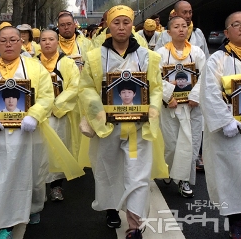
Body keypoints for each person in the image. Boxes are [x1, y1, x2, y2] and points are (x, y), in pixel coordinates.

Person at [0, 26, 84, 239]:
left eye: (13, 40)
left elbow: (46, 95)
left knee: (31, 174)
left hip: (28, 132)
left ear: (21, 42)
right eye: (3, 41)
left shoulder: (35, 68)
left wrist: (35, 115)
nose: (8, 44)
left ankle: (33, 207)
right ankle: (4, 222)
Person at [78, 5, 166, 239]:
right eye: (116, 22)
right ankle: (111, 209)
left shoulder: (149, 57)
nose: (121, 27)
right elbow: (86, 89)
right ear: (109, 25)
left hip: (138, 128)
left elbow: (156, 88)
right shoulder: (95, 57)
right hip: (107, 128)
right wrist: (100, 116)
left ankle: (135, 226)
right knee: (109, 171)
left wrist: (151, 112)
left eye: (126, 22)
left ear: (132, 25)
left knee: (138, 176)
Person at [199, 11, 241, 239]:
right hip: (231, 133)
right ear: (227, 32)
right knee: (232, 178)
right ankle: (236, 222)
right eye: (236, 25)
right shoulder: (218, 60)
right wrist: (226, 121)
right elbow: (209, 93)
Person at [155, 16, 206, 198]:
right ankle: (169, 169)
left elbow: (204, 76)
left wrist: (195, 96)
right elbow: (154, 78)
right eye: (176, 27)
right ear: (169, 32)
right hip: (171, 107)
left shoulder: (197, 52)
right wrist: (168, 96)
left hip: (192, 107)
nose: (181, 29)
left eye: (184, 26)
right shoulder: (161, 53)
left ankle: (183, 180)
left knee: (191, 145)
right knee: (172, 144)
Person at [38, 30, 81, 201]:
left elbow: (74, 86)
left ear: (57, 42)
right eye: (43, 40)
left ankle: (56, 187)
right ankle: (39, 188)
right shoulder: (32, 64)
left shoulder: (67, 64)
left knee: (58, 149)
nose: (47, 43)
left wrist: (57, 105)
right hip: (39, 116)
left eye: (51, 39)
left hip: (59, 115)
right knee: (39, 151)